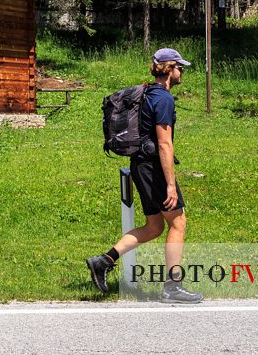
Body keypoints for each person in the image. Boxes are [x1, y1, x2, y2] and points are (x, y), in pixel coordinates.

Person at [86, 48, 202, 303]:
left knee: (154, 226)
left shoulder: (147, 93)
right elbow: (164, 143)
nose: (182, 71)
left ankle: (103, 261)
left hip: (140, 165)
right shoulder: (163, 99)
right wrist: (170, 184)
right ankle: (173, 286)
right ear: (168, 68)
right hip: (153, 167)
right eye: (179, 67)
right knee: (178, 222)